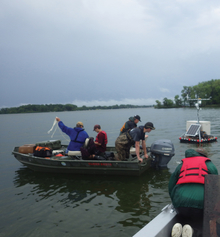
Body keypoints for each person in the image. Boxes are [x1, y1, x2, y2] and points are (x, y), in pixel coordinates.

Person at [169, 148, 218, 237]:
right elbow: (215, 188)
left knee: (184, 216)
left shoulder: (181, 165)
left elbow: (171, 185)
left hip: (180, 203)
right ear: (205, 156)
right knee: (201, 223)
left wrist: (175, 201)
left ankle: (179, 227)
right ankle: (193, 231)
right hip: (200, 205)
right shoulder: (209, 165)